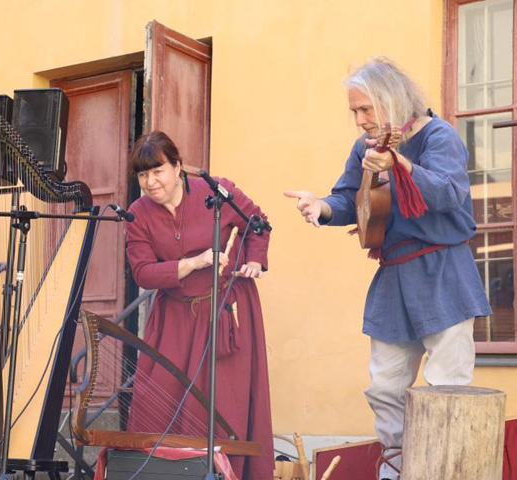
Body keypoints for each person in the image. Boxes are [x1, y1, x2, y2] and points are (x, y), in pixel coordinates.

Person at [284, 57, 491, 480]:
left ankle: (441, 472)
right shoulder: (365, 148)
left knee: (446, 387)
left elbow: (448, 193)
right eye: (354, 111)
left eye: (365, 109)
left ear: (392, 100)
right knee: (385, 387)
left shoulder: (439, 136)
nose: (359, 120)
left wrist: (400, 163)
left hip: (443, 272)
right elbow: (349, 198)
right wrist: (321, 207)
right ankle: (395, 469)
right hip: (394, 276)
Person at [124, 131, 273, 480]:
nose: (150, 182)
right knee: (156, 399)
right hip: (174, 317)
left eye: (158, 171)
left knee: (224, 405)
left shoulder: (216, 191)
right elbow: (143, 272)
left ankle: (225, 474)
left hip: (225, 311)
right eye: (143, 175)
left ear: (177, 167)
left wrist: (254, 260)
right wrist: (193, 263)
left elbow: (257, 224)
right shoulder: (137, 214)